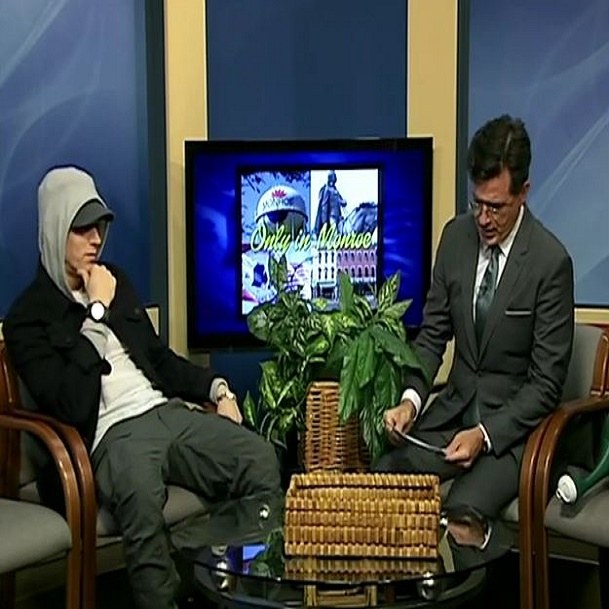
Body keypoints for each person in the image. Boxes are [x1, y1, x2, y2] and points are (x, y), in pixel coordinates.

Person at [3, 166, 281, 609]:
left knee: (260, 459)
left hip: (166, 412)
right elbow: (70, 404)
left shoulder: (116, 280)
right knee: (141, 499)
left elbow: (158, 359)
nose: (96, 239)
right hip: (109, 437)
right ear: (56, 230)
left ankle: (229, 589)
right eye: (82, 229)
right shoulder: (28, 319)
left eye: (100, 226)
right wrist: (96, 312)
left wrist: (217, 389)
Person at [375, 115, 575, 518]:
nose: (483, 218)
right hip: (452, 416)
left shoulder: (550, 263)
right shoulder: (455, 239)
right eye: (477, 203)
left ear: (523, 193)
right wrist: (410, 403)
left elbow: (545, 386)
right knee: (383, 479)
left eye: (496, 207)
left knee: (461, 512)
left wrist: (484, 435)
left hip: (511, 436)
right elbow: (432, 336)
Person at [314, 170, 347, 234]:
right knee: (334, 233)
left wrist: (344, 202)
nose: (335, 178)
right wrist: (324, 221)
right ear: (330, 177)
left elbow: (340, 200)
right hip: (332, 217)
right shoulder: (327, 189)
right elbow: (324, 205)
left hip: (339, 217)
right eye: (334, 176)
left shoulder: (335, 190)